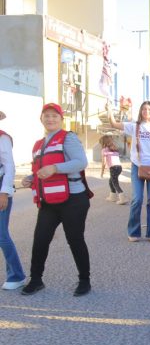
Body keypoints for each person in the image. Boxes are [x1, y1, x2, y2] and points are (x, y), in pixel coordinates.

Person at [21, 103, 92, 296]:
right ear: (41, 119)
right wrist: (31, 179)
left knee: (75, 239)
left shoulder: (68, 138)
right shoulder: (38, 145)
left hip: (73, 198)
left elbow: (80, 162)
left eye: (54, 116)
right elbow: (38, 171)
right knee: (40, 240)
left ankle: (84, 280)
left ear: (61, 119)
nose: (50, 119)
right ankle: (36, 280)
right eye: (46, 116)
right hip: (49, 201)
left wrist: (55, 168)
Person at [108, 101, 150, 242]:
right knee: (137, 199)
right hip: (137, 166)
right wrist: (109, 110)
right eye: (144, 109)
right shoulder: (135, 126)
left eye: (148, 109)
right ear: (141, 111)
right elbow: (114, 124)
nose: (146, 111)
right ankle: (133, 232)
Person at [0, 121, 26, 290]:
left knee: (1, 234)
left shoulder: (3, 138)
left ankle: (17, 275)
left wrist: (4, 193)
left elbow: (9, 166)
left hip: (0, 186)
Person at [99, 135, 127, 205]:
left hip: (113, 168)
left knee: (115, 183)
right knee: (111, 181)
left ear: (103, 143)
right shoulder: (114, 149)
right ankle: (112, 196)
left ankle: (122, 198)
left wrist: (102, 172)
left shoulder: (104, 150)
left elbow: (104, 163)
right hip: (119, 167)